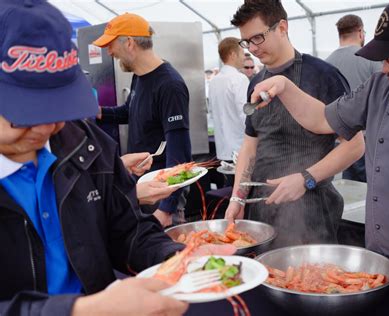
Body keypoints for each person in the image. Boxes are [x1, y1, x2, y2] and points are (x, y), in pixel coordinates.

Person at [0, 1, 234, 315]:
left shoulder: (87, 145)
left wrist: (175, 256)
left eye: (57, 107)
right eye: (23, 113)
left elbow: (127, 229)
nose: (46, 127)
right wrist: (80, 311)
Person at [246, 0, 389, 312]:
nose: (385, 68)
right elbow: (322, 119)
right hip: (376, 274)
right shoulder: (380, 87)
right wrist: (285, 86)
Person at [224, 0, 365, 247]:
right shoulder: (255, 82)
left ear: (282, 28)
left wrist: (306, 178)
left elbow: (355, 146)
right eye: (246, 42)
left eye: (258, 38)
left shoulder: (323, 75)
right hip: (262, 207)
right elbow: (250, 146)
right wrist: (237, 197)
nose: (252, 49)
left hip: (312, 208)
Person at [93, 13, 191, 227]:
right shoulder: (140, 76)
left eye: (111, 45)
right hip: (140, 184)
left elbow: (180, 152)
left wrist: (167, 208)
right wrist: (98, 111)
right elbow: (129, 111)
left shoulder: (169, 85)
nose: (109, 52)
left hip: (161, 193)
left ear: (129, 43)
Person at [326, 14, 383, 183]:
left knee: (349, 188)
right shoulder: (372, 59)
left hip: (339, 141)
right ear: (360, 32)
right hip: (369, 140)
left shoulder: (326, 63)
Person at [208, 37, 249, 162]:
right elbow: (246, 114)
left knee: (229, 181)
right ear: (232, 54)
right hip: (241, 149)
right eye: (242, 53)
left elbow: (212, 112)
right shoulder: (239, 79)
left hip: (222, 150)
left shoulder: (214, 81)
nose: (244, 57)